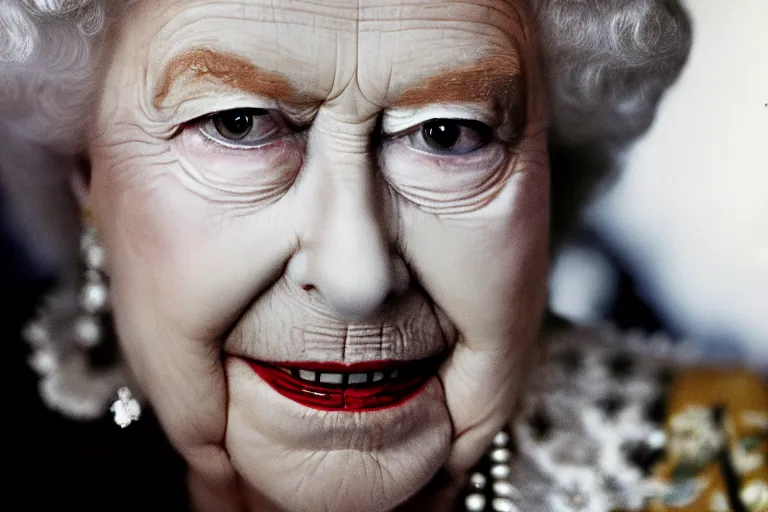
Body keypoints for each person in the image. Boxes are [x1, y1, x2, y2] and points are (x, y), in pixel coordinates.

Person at [0, 0, 705, 511]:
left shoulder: (719, 471)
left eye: (448, 135)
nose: (357, 278)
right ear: (88, 182)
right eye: (237, 124)